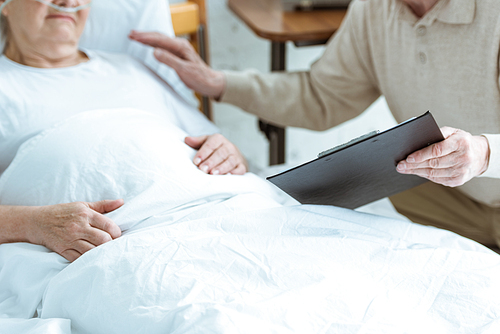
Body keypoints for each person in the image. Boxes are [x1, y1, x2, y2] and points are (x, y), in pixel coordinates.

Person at [129, 0, 500, 248]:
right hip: (448, 196)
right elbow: (322, 98)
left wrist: (484, 154)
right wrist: (219, 83)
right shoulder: (374, 9)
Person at [0, 0, 248, 261]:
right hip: (121, 250)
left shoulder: (131, 67)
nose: (68, 2)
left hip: (221, 216)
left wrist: (229, 154)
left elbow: (222, 147)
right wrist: (34, 223)